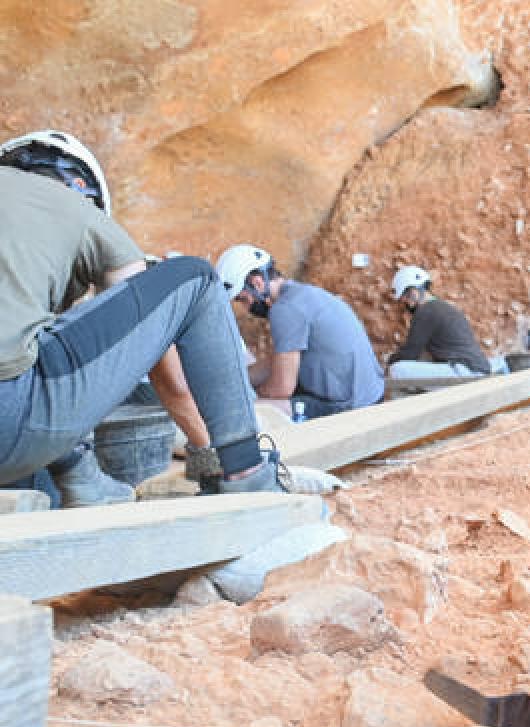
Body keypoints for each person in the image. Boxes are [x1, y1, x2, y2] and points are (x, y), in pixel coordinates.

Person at [0, 130, 287, 502]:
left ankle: (80, 478)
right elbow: (153, 351)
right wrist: (203, 451)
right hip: (11, 422)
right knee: (195, 278)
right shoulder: (74, 207)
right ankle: (248, 472)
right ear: (80, 185)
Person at [215, 244, 385, 419]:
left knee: (247, 410)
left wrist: (250, 395)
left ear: (257, 284)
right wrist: (238, 379)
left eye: (243, 299)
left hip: (351, 409)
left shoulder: (284, 310)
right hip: (371, 397)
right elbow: (278, 362)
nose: (246, 306)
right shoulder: (302, 295)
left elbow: (281, 388)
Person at [387, 265, 495, 379]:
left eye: (405, 296)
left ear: (414, 291)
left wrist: (389, 362)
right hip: (475, 369)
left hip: (466, 372)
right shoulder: (441, 306)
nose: (404, 301)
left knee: (397, 370)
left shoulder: (425, 311)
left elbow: (409, 354)